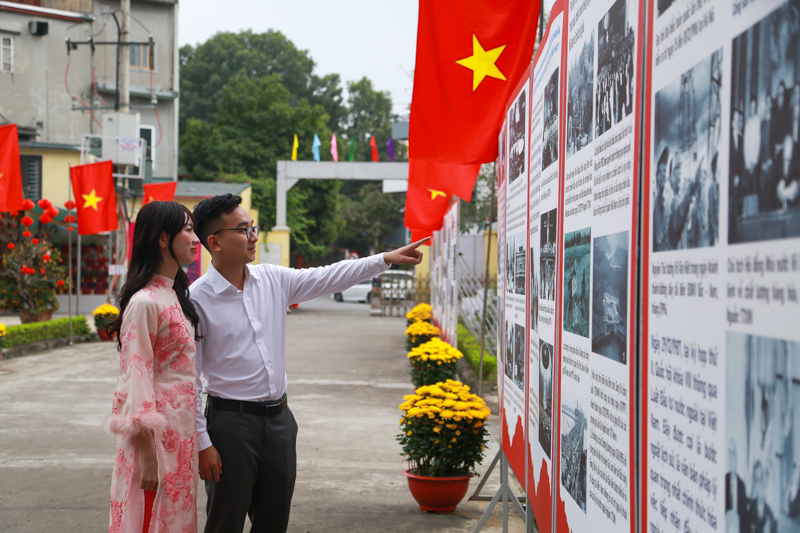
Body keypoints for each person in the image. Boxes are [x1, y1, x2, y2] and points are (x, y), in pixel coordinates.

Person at [189, 194, 427, 533]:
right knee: (225, 520)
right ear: (215, 242)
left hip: (279, 422)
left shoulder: (272, 280)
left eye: (252, 227)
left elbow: (329, 276)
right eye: (243, 230)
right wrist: (203, 443)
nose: (253, 236)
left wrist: (384, 259)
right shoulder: (197, 300)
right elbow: (189, 380)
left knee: (274, 521)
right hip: (229, 426)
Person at [106, 201, 202, 533]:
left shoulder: (173, 296)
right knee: (149, 519)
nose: (195, 238)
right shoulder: (145, 302)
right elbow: (136, 377)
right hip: (155, 443)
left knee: (177, 517)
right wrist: (148, 454)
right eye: (188, 230)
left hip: (181, 434)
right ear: (163, 238)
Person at [744, 460, 778, 533]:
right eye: (757, 472)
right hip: (755, 510)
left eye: (759, 471)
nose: (758, 474)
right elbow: (751, 502)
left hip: (763, 508)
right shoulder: (754, 485)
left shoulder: (765, 483)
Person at [725, 439, 747, 533]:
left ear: (737, 459)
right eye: (729, 456)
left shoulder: (742, 485)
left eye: (733, 456)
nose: (732, 460)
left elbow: (744, 514)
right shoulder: (723, 482)